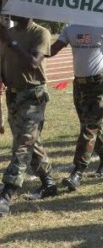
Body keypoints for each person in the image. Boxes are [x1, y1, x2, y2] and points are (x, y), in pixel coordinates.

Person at [50, 25, 103, 191]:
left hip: (99, 84)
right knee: (92, 127)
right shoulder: (71, 27)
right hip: (79, 85)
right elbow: (51, 51)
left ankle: (77, 172)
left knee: (89, 128)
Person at [0, 16, 55, 216]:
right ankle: (48, 182)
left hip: (33, 95)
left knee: (23, 145)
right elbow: (3, 60)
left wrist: (11, 42)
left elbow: (33, 63)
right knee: (31, 141)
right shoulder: (10, 33)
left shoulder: (41, 33)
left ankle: (6, 194)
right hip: (13, 96)